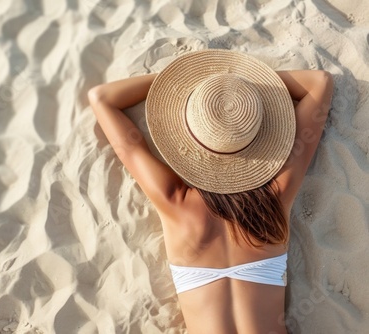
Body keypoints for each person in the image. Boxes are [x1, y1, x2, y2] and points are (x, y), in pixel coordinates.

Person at [87, 49, 333, 334]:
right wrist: (248, 89)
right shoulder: (276, 196)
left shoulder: (173, 200)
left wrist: (184, 84)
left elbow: (101, 99)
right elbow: (321, 82)